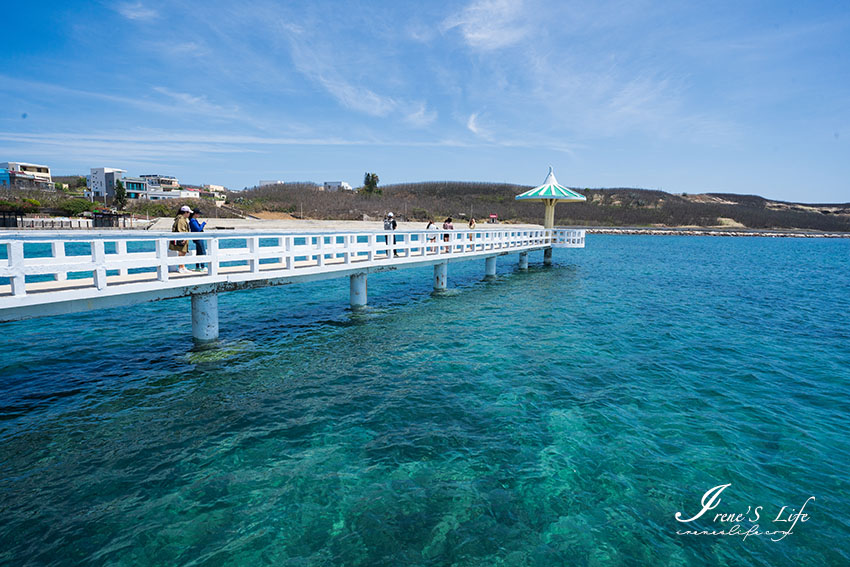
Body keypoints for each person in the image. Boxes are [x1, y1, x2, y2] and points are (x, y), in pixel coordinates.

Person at [169, 205, 192, 273]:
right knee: (182, 252)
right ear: (185, 212)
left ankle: (182, 266)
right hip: (182, 238)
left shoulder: (180, 219)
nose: (189, 214)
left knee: (182, 252)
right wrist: (184, 238)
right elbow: (180, 229)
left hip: (182, 238)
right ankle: (181, 267)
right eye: (188, 213)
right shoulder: (181, 219)